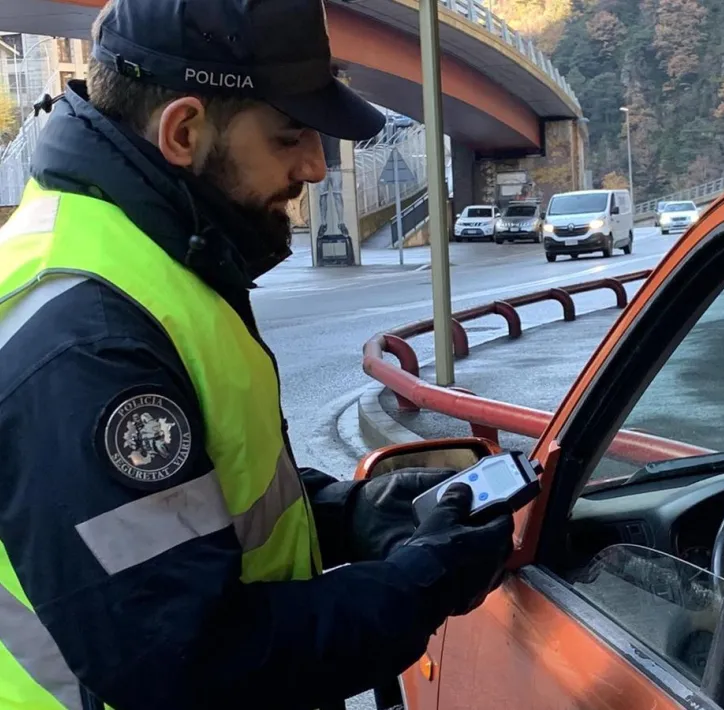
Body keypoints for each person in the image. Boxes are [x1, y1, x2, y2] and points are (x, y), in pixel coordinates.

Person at [0, 1, 515, 709]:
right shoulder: (89, 337)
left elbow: (181, 517)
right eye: (289, 136)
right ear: (184, 131)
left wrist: (344, 514)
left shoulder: (137, 255)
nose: (315, 166)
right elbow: (186, 660)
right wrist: (421, 583)